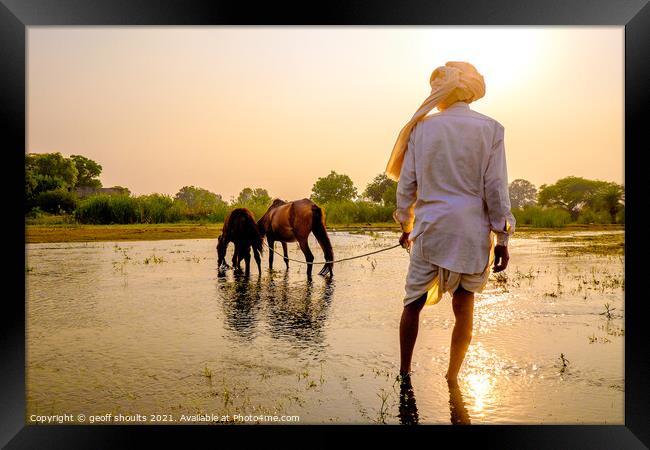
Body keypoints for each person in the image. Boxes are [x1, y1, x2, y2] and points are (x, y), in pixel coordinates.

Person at [385, 61, 515, 385]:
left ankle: (404, 373)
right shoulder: (492, 129)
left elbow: (407, 185)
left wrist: (405, 226)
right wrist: (503, 238)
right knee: (464, 305)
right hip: (472, 232)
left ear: (445, 90)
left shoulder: (422, 128)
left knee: (412, 303)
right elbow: (495, 187)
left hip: (430, 230)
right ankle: (452, 378)